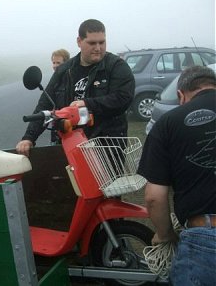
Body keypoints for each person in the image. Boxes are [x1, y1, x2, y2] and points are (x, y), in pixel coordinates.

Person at [137, 65, 216, 285]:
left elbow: (154, 196)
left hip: (205, 238)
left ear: (181, 95)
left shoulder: (167, 124)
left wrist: (165, 234)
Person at [16, 19, 134, 155]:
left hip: (107, 147)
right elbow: (45, 104)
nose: (98, 48)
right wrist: (29, 138)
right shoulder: (64, 70)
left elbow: (123, 98)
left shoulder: (116, 66)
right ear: (79, 41)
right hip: (71, 146)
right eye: (92, 43)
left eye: (102, 42)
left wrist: (87, 104)